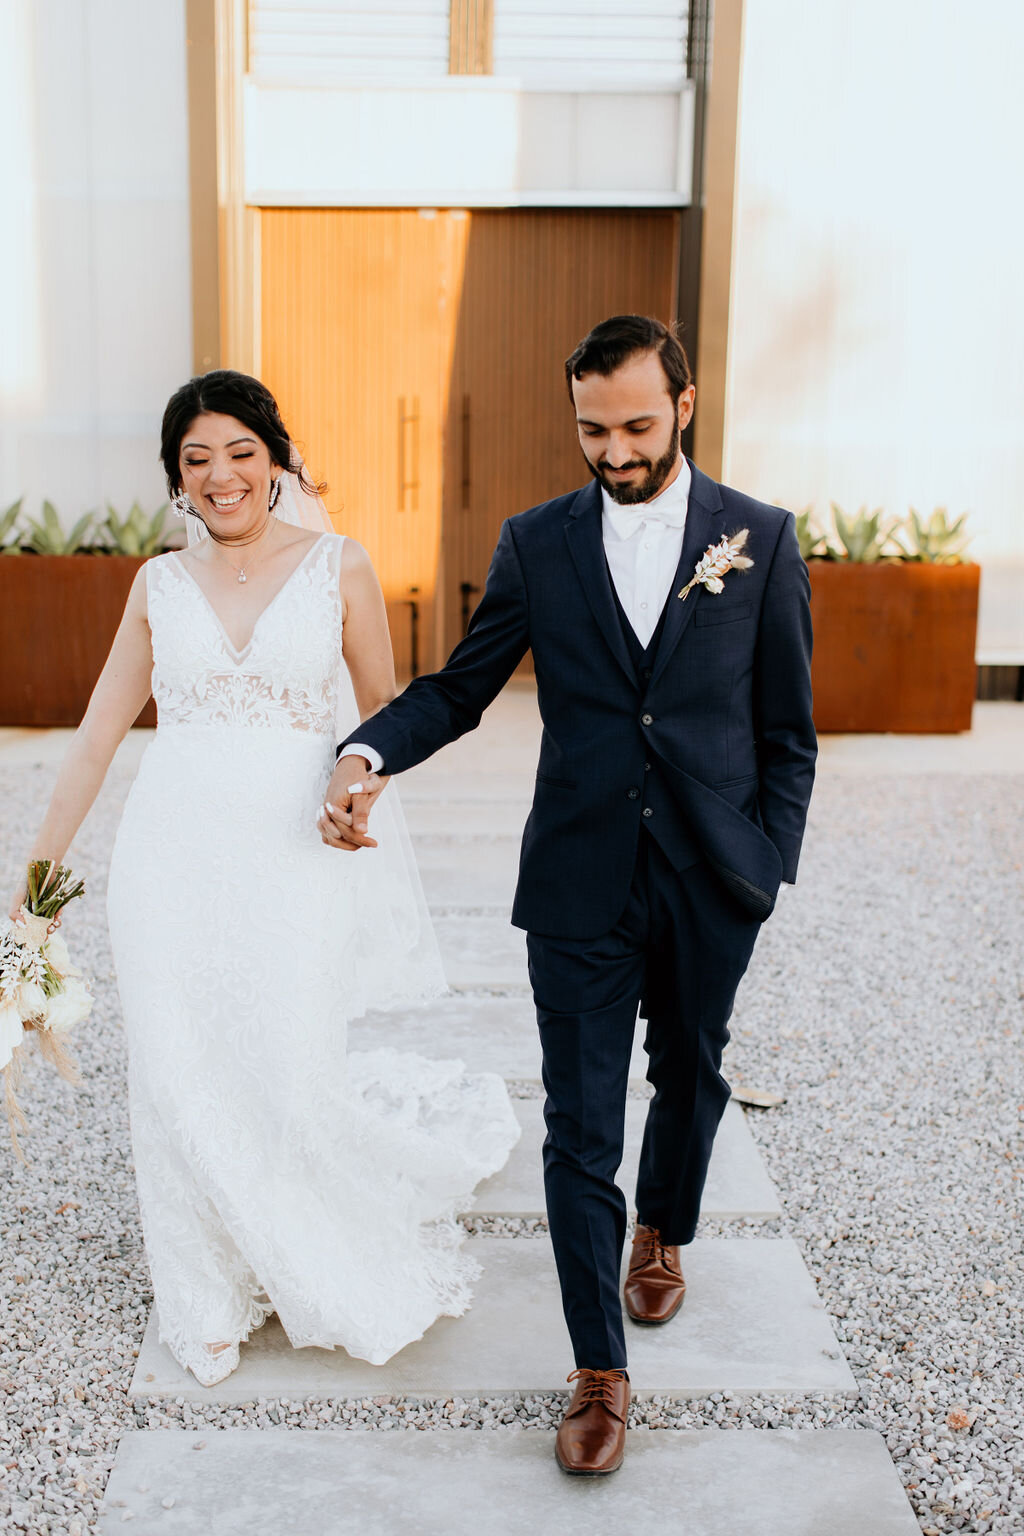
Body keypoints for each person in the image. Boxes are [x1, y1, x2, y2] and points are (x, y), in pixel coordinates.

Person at [321, 315, 816, 1475]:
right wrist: (365, 751)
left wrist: (763, 869)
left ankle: (663, 1228)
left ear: (682, 405)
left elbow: (788, 730)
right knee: (579, 1127)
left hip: (710, 876)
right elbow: (460, 688)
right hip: (577, 880)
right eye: (593, 430)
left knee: (691, 1069)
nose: (615, 450)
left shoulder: (758, 538)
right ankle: (600, 1370)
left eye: (637, 425)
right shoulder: (535, 542)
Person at [9, 370, 519, 1387]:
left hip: (293, 860)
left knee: (284, 1062)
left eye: (240, 452)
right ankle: (200, 1290)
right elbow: (95, 742)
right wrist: (33, 892)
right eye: (196, 460)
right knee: (176, 1069)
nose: (221, 475)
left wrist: (355, 789)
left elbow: (386, 717)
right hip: (168, 862)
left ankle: (294, 1248)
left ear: (276, 459)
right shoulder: (157, 586)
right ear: (177, 479)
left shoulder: (340, 566)